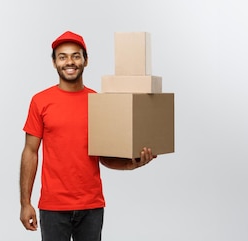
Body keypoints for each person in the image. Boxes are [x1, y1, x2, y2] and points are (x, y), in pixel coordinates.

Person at [19, 30, 156, 241]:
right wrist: (25, 203)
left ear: (86, 60)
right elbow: (30, 152)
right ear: (54, 63)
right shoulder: (40, 101)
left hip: (91, 206)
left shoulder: (98, 102)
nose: (69, 61)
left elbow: (105, 155)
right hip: (53, 206)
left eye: (76, 55)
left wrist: (132, 164)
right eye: (62, 57)